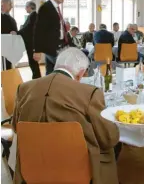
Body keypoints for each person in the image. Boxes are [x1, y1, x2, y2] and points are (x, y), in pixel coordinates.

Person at [11, 48, 120, 184]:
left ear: (56, 65)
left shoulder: (24, 88)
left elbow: (16, 127)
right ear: (80, 74)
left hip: (32, 166)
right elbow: (108, 138)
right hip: (78, 170)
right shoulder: (90, 93)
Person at [33, 0, 69, 75]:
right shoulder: (46, 8)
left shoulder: (56, 8)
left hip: (59, 46)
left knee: (50, 73)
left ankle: (48, 88)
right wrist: (37, 50)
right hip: (53, 48)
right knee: (64, 71)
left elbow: (58, 28)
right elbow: (39, 30)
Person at [18, 1, 41, 79]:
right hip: (31, 42)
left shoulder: (34, 15)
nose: (25, 8)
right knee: (32, 61)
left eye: (26, 7)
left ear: (30, 7)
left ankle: (36, 77)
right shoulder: (32, 15)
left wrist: (18, 32)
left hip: (31, 43)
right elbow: (27, 27)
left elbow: (28, 29)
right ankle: (36, 77)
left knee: (33, 61)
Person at [1, 0, 18, 70]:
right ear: (3, 5)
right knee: (5, 66)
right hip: (4, 46)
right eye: (10, 5)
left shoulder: (10, 17)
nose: (12, 6)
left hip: (10, 46)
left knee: (8, 66)